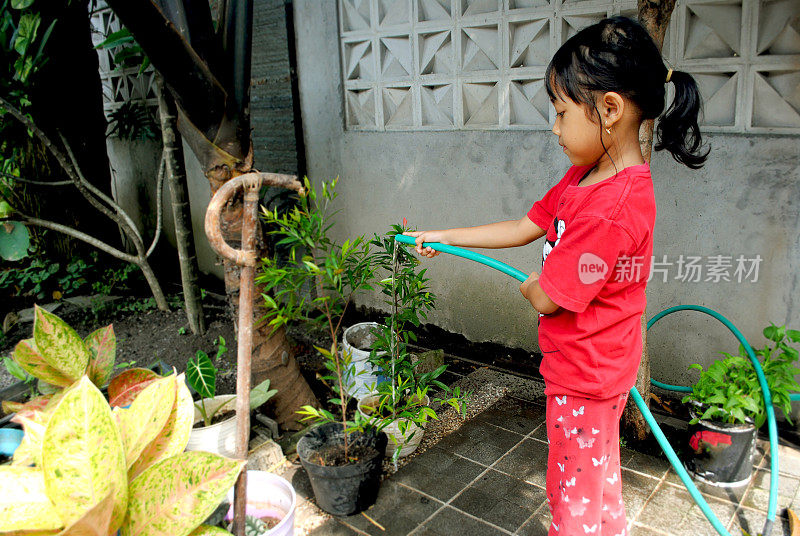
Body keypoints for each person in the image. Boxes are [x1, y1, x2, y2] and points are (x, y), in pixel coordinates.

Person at [405, 16, 708, 536]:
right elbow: (526, 226)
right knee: (594, 481)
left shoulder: (613, 207)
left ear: (609, 110)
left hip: (586, 378)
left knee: (573, 495)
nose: (554, 127)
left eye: (562, 113)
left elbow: (551, 297)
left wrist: (531, 287)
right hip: (591, 366)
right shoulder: (586, 176)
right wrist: (445, 236)